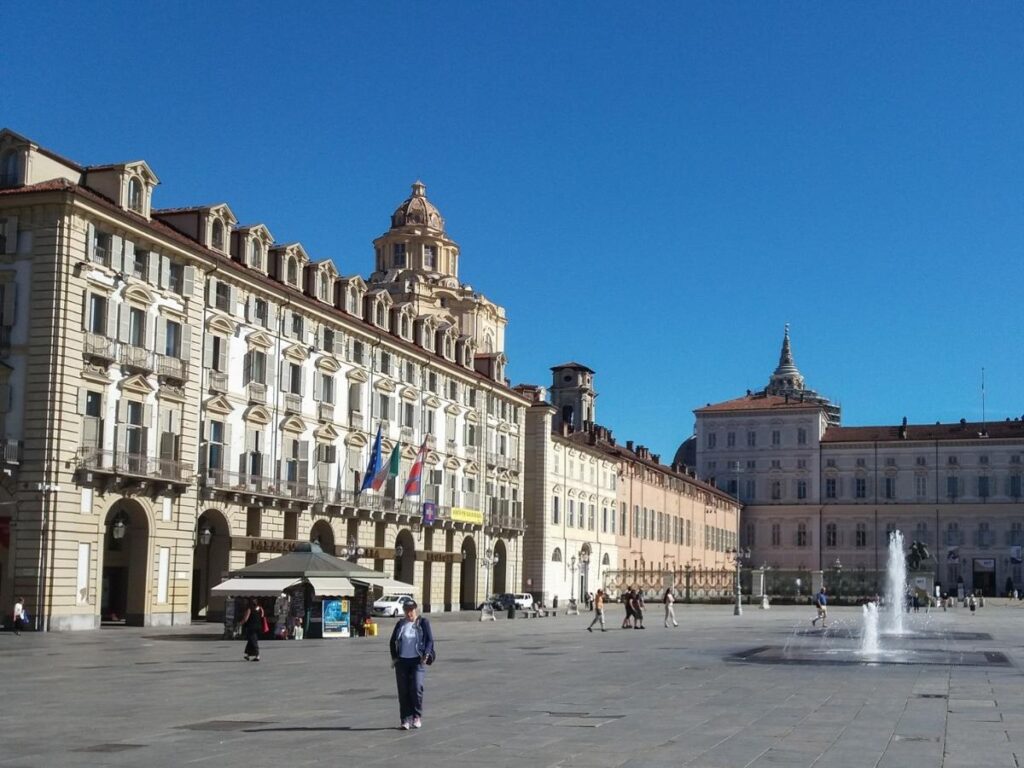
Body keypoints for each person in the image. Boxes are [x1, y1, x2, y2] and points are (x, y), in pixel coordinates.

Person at [388, 600, 434, 730]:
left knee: (416, 688)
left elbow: (430, 640)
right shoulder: (400, 624)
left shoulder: (423, 623)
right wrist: (395, 658)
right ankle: (405, 720)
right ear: (404, 611)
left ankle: (417, 716)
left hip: (417, 661)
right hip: (402, 662)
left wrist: (426, 653)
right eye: (407, 610)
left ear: (416, 610)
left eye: (412, 610)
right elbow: (392, 641)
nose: (409, 613)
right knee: (403, 691)